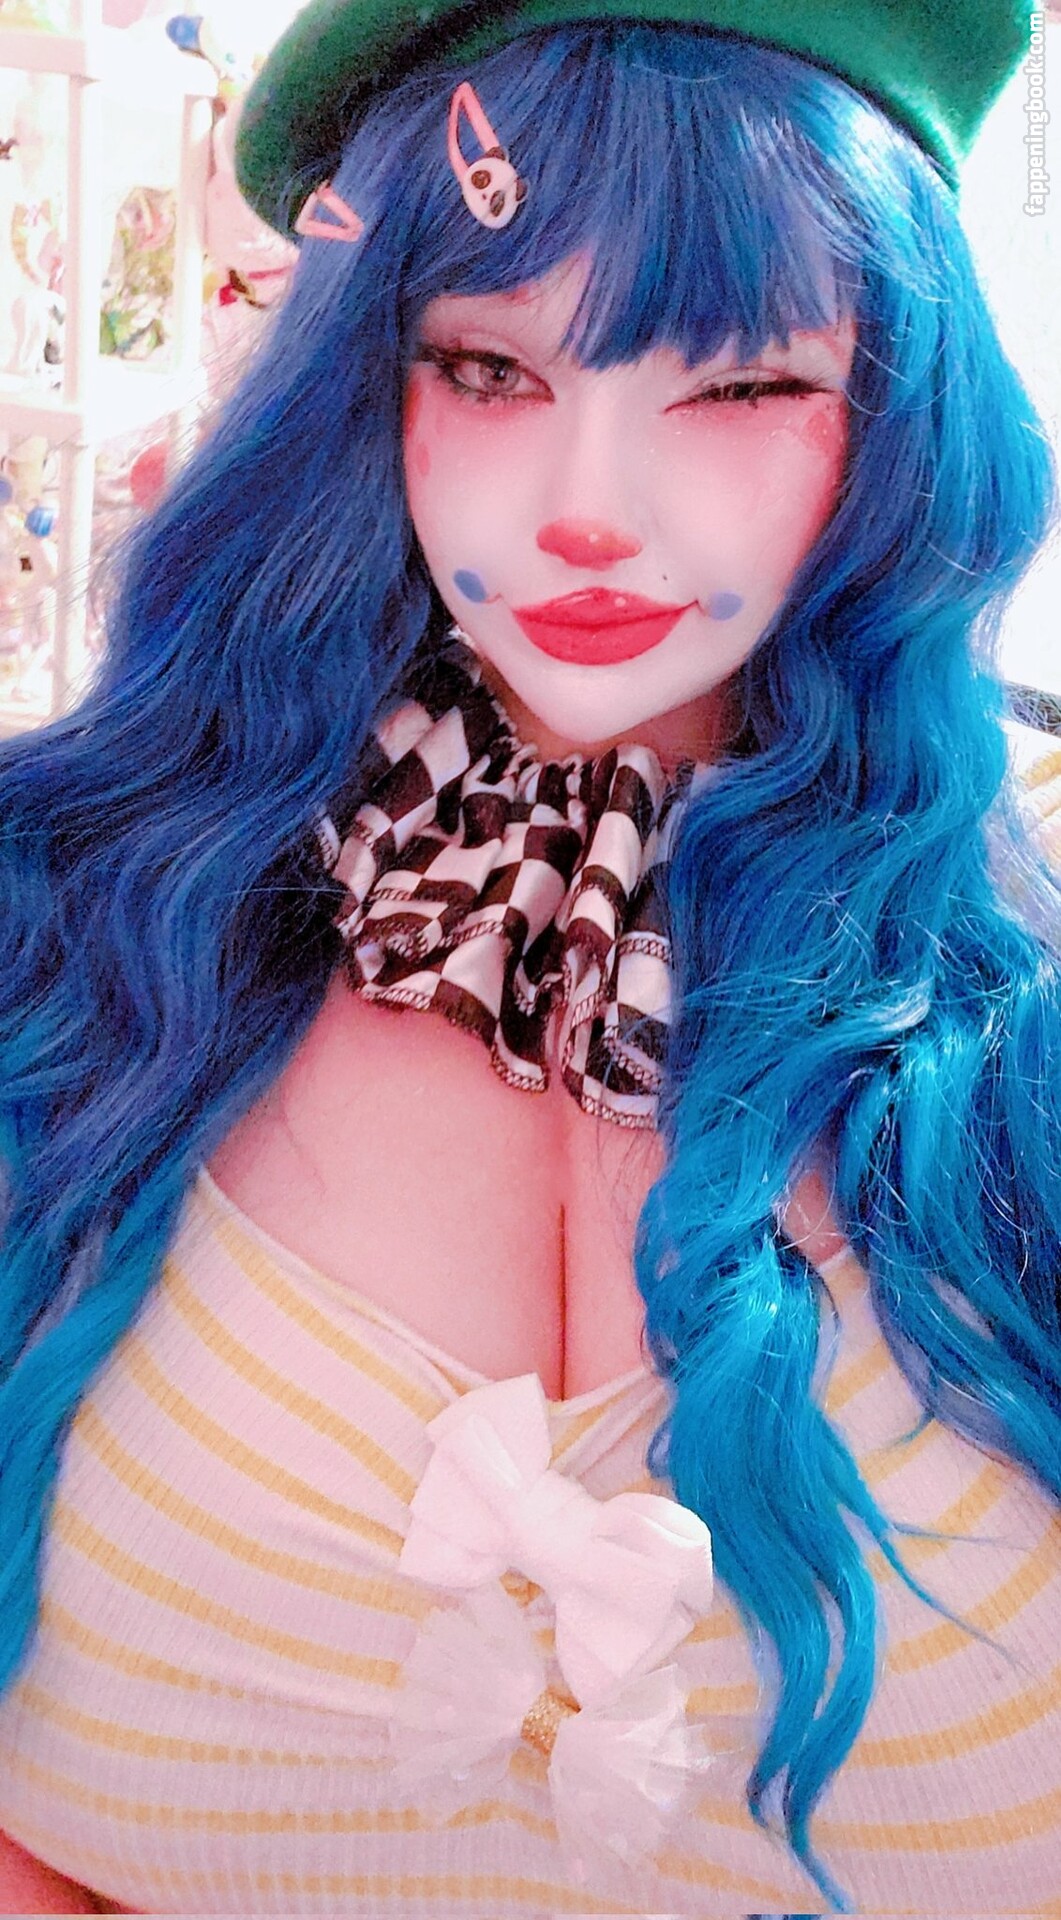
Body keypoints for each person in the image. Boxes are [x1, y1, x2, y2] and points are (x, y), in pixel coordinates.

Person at [0, 2, 1059, 1912]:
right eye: (490, 366)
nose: (586, 505)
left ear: (906, 420)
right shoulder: (82, 922)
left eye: (741, 385)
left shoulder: (1026, 982)